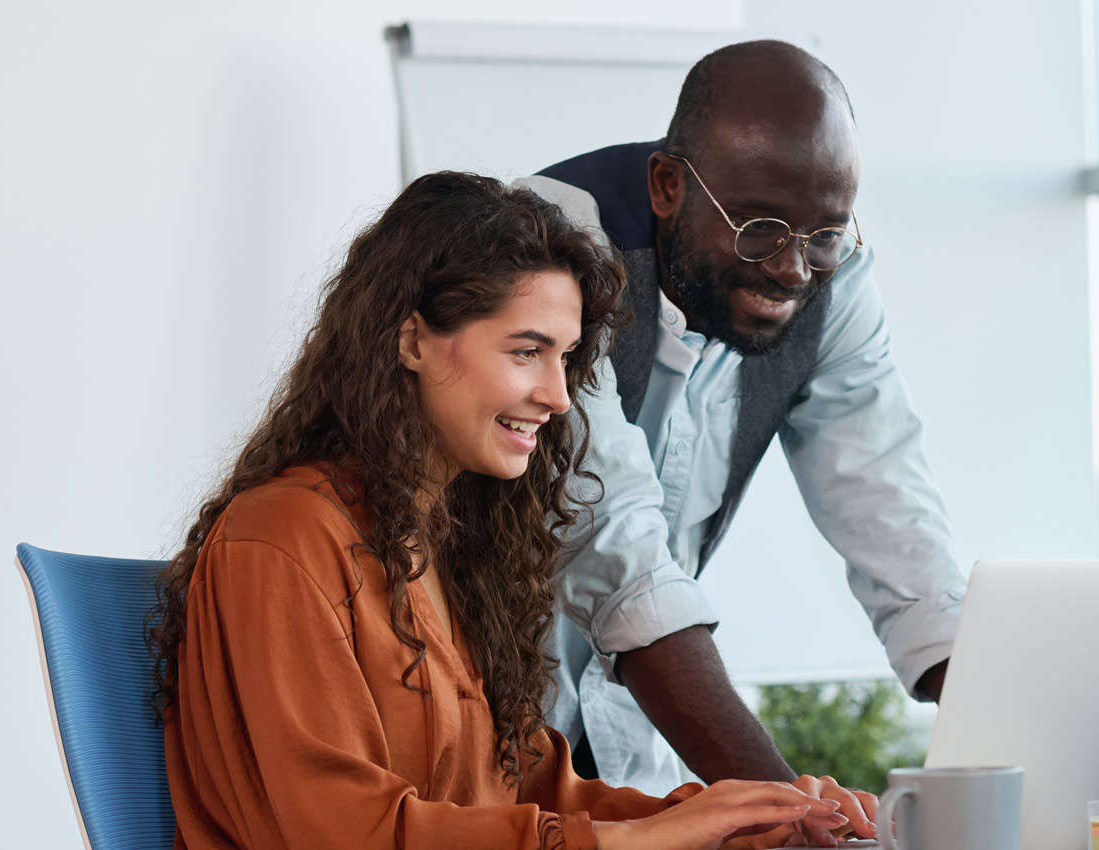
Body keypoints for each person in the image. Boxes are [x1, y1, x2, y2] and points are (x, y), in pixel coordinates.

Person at [149, 171, 875, 850]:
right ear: (410, 342)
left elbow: (535, 791)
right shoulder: (281, 537)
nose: (558, 397)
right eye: (526, 352)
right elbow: (339, 829)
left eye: (564, 358)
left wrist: (740, 822)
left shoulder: (450, 552)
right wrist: (626, 842)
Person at [516, 41, 968, 793]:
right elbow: (612, 544)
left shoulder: (834, 275)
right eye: (757, 227)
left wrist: (1011, 736)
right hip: (481, 732)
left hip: (633, 751)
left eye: (823, 234)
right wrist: (786, 811)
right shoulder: (549, 243)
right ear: (667, 185)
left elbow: (892, 515)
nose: (792, 269)